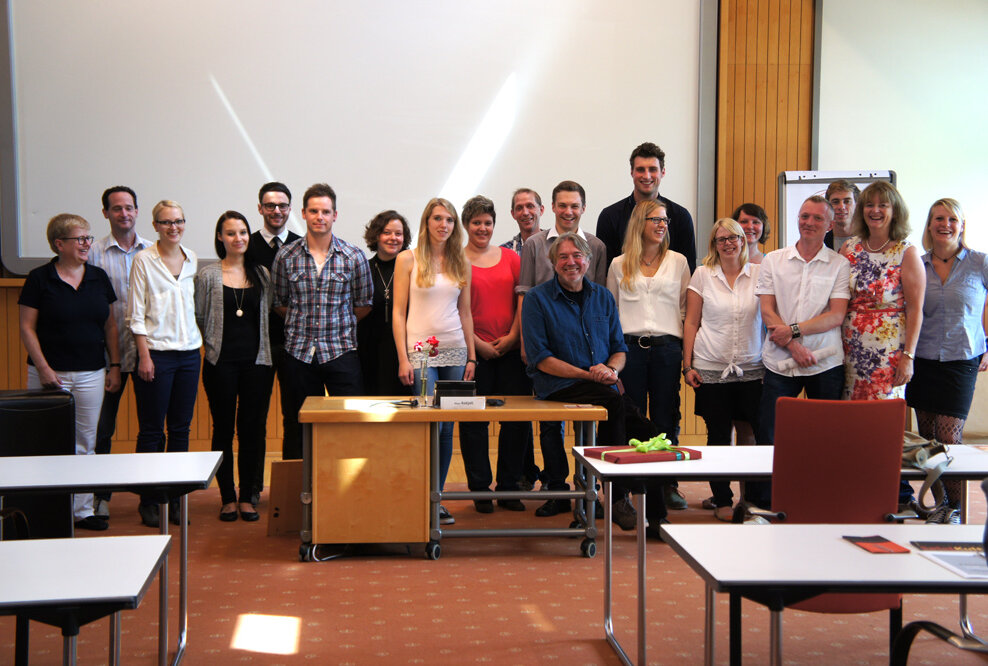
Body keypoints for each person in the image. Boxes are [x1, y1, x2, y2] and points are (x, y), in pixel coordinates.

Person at [521, 232, 668, 536]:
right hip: (558, 386)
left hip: (604, 386)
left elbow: (618, 348)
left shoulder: (603, 296)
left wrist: (611, 370)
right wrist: (591, 375)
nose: (570, 262)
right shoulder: (536, 299)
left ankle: (657, 518)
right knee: (613, 401)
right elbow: (540, 358)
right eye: (563, 257)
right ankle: (617, 496)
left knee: (649, 432)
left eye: (577, 256)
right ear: (553, 263)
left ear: (588, 260)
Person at [18, 213, 120, 531]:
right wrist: (45, 369)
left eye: (89, 238)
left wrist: (115, 365)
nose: (87, 244)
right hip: (48, 375)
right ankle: (45, 507)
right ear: (59, 244)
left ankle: (82, 510)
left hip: (91, 372)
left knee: (85, 442)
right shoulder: (39, 278)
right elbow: (26, 327)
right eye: (81, 239)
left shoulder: (98, 277)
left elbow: (110, 325)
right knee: (45, 442)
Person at [751, 196, 850, 506]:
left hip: (825, 361)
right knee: (769, 436)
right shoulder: (774, 260)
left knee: (825, 438)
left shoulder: (839, 264)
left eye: (817, 219)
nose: (809, 222)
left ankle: (819, 501)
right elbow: (767, 311)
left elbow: (836, 315)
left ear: (830, 225)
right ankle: (763, 503)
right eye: (804, 216)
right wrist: (793, 346)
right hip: (781, 362)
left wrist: (794, 330)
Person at [516, 181, 607, 511]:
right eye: (562, 205)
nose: (568, 211)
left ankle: (589, 489)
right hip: (544, 346)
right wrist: (527, 344)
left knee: (589, 424)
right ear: (551, 208)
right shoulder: (534, 244)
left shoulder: (596, 245)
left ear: (583, 208)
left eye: (575, 205)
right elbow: (525, 292)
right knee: (549, 423)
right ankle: (557, 488)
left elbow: (596, 299)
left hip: (583, 349)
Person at [271, 183, 372, 457]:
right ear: (303, 213)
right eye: (313, 211)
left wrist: (336, 324)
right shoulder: (286, 256)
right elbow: (279, 302)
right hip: (298, 354)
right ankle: (299, 495)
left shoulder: (353, 256)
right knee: (296, 425)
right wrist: (304, 323)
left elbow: (363, 305)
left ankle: (348, 491)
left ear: (335, 215)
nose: (320, 217)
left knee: (351, 425)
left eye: (325, 211)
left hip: (341, 352)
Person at [393, 198, 477, 525]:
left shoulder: (461, 261)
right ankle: (419, 497)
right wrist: (403, 358)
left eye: (450, 220)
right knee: (427, 425)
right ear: (426, 222)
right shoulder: (407, 259)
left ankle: (437, 499)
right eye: (437, 218)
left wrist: (471, 355)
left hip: (455, 348)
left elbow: (465, 312)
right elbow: (399, 313)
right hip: (420, 353)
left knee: (447, 427)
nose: (444, 225)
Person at [606, 199, 691, 517]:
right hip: (630, 351)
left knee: (667, 418)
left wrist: (687, 357)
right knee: (633, 417)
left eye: (665, 220)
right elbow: (611, 314)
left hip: (668, 349)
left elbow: (685, 311)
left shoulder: (679, 262)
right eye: (656, 219)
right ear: (639, 222)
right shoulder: (619, 264)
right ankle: (631, 484)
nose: (662, 225)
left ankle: (666, 484)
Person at [906, 198, 988, 523]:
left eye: (952, 219)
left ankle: (955, 506)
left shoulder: (979, 262)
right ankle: (939, 503)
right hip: (922, 360)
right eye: (938, 218)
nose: (945, 224)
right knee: (927, 440)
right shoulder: (917, 264)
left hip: (961, 360)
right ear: (929, 225)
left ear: (962, 224)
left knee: (949, 436)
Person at [195, 211, 274, 522]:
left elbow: (267, 318)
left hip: (258, 364)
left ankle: (247, 497)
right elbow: (200, 318)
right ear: (220, 238)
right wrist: (213, 347)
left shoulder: (263, 275)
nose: (238, 238)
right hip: (220, 364)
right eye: (231, 233)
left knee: (252, 430)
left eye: (243, 232)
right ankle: (226, 497)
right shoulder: (208, 275)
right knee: (223, 430)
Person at [128, 200, 202, 528]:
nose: (174, 227)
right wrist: (143, 356)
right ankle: (150, 499)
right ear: (155, 225)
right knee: (152, 431)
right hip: (155, 355)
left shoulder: (193, 259)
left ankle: (175, 499)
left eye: (179, 221)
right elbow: (135, 313)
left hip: (189, 355)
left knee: (181, 430)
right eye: (166, 222)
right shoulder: (144, 260)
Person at [683, 218, 763, 513]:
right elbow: (691, 321)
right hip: (710, 366)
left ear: (744, 240)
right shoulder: (703, 274)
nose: (728, 244)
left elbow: (768, 318)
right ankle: (722, 497)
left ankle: (752, 497)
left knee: (752, 434)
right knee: (718, 433)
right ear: (713, 245)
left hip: (751, 366)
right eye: (721, 239)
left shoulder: (759, 273)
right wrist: (687, 364)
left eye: (734, 238)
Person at [459, 195, 530, 512]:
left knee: (515, 421)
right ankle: (480, 488)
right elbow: (454, 310)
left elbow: (522, 302)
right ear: (466, 225)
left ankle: (509, 486)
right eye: (476, 223)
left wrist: (514, 336)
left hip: (511, 351)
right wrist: (478, 346)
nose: (482, 228)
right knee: (474, 423)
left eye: (487, 222)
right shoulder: (456, 260)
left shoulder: (511, 258)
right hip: (473, 354)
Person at [88, 186, 153, 520]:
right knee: (102, 430)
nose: (124, 214)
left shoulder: (155, 252)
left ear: (137, 211)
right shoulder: (93, 253)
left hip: (147, 355)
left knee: (149, 429)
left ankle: (147, 500)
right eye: (116, 209)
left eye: (129, 207)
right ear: (106, 214)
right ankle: (99, 498)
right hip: (105, 357)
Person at [840, 180, 924, 401]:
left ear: (895, 211)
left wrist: (908, 356)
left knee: (881, 416)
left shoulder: (906, 252)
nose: (875, 210)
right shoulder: (849, 248)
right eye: (869, 205)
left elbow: (915, 309)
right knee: (849, 415)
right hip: (848, 348)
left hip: (888, 352)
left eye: (883, 205)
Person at [246, 182, 301, 489]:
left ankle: (292, 491)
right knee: (255, 420)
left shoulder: (300, 245)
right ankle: (252, 490)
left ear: (290, 209)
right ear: (260, 209)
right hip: (256, 347)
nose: (276, 211)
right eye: (270, 205)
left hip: (295, 346)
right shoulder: (246, 245)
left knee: (295, 419)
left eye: (282, 205)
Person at [500, 188, 546, 490]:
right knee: (518, 410)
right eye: (519, 207)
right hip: (515, 340)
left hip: (547, 342)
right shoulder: (503, 251)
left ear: (542, 209)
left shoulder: (554, 245)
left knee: (546, 412)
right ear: (513, 213)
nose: (525, 211)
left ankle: (545, 475)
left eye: (531, 205)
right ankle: (522, 472)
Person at [596, 141, 697, 272]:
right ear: (631, 172)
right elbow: (605, 273)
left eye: (653, 169)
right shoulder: (609, 216)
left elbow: (689, 271)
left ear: (663, 172)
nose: (647, 176)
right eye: (640, 169)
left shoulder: (681, 217)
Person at [357, 210, 412, 395]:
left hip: (404, 351)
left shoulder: (414, 270)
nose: (393, 238)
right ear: (376, 236)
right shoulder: (363, 268)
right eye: (387, 232)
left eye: (398, 233)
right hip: (368, 351)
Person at [824, 179, 861, 251]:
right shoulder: (822, 242)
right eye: (835, 202)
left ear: (857, 205)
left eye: (847, 201)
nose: (841, 207)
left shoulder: (869, 240)